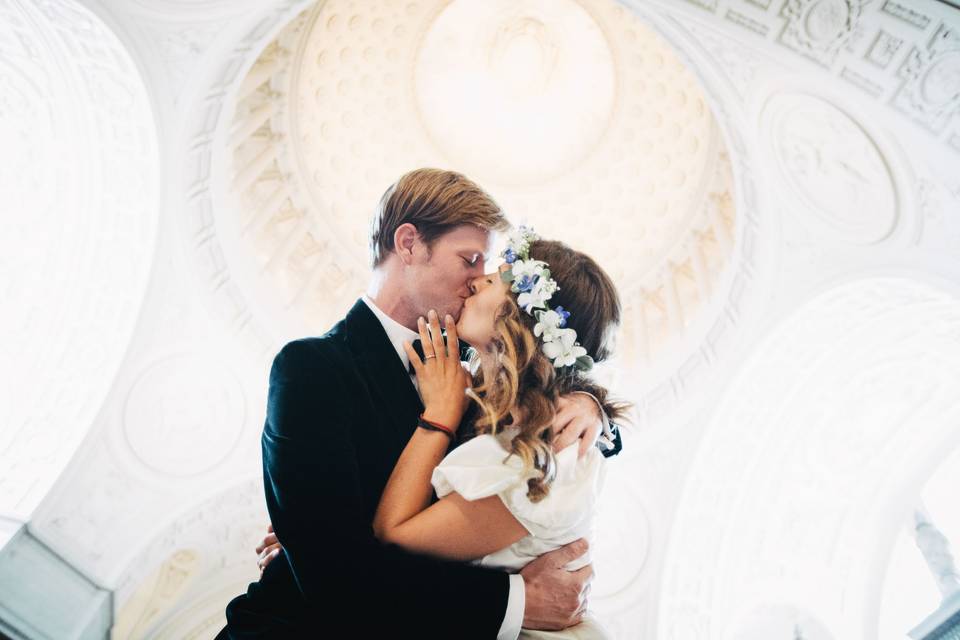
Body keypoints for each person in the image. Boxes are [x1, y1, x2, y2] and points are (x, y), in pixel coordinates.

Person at [219, 169, 622, 639]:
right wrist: (517, 602)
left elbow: (555, 439)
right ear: (409, 243)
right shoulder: (313, 369)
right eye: (470, 259)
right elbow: (335, 578)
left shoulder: (491, 375)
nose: (478, 281)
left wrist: (589, 405)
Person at [372, 228, 628, 639]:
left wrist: (438, 416)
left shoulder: (550, 451)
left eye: (496, 278)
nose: (477, 279)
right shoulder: (483, 400)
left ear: (524, 315)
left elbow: (395, 533)